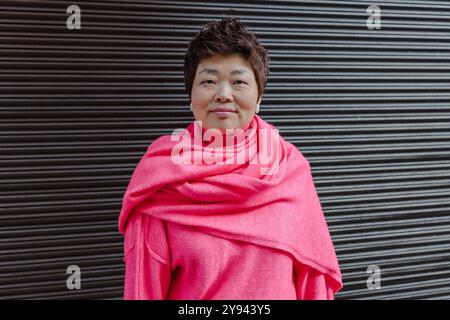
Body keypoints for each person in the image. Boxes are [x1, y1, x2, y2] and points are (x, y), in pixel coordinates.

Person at [118, 18, 343, 300]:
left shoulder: (289, 168)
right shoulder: (161, 175)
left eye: (238, 82)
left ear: (259, 96)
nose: (223, 95)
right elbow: (144, 291)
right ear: (191, 96)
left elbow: (313, 283)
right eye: (209, 81)